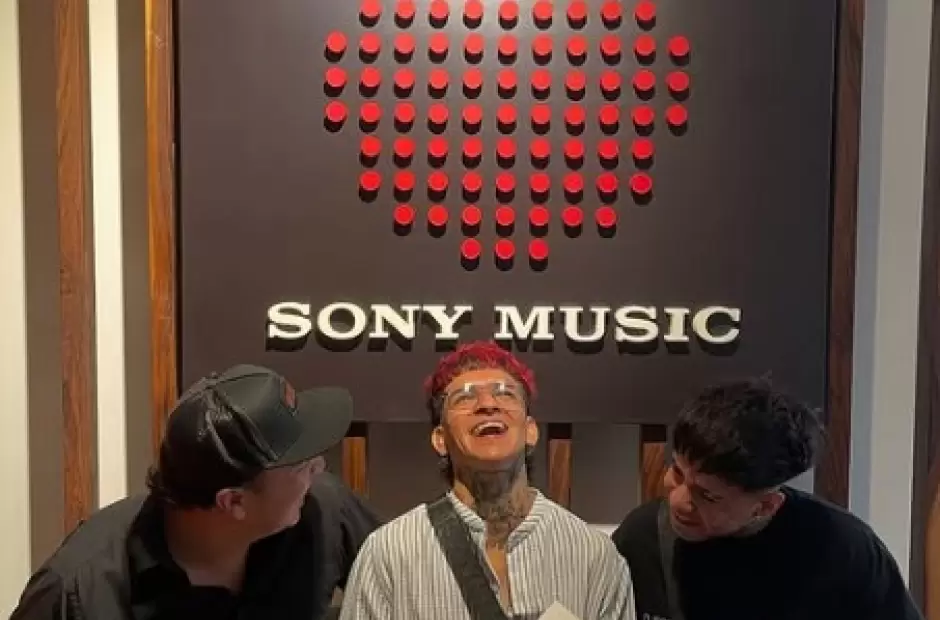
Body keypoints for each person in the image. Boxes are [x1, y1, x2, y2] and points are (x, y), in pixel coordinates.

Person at [11, 364, 381, 619]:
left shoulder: (324, 510)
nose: (320, 468)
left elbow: (403, 584)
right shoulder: (77, 592)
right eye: (302, 466)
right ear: (233, 501)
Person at [339, 341, 636, 620]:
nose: (487, 404)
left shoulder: (594, 556)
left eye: (505, 393)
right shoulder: (389, 554)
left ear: (531, 431)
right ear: (440, 439)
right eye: (465, 397)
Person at [611, 378, 923, 620]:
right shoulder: (642, 536)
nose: (679, 501)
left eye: (707, 495)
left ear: (765, 506)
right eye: (678, 473)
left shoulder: (843, 549)